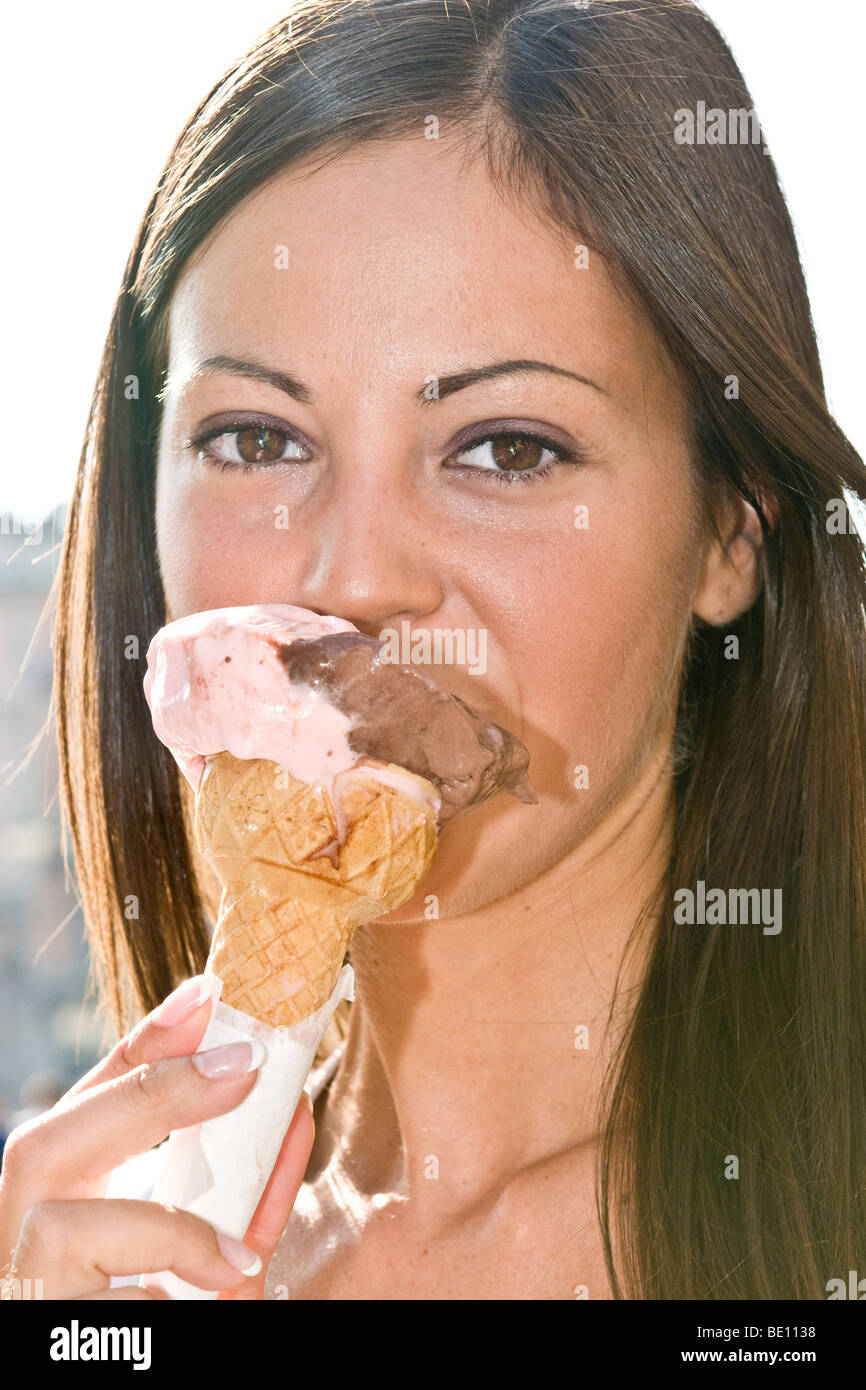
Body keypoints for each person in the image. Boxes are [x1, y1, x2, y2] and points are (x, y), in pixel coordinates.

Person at [1, 0, 863, 1300]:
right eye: (255, 438)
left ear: (727, 538)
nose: (352, 576)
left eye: (506, 448)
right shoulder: (106, 1263)